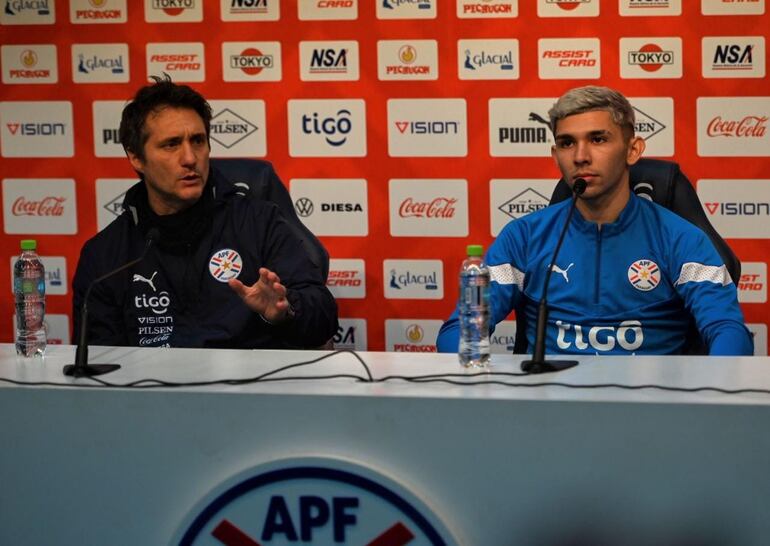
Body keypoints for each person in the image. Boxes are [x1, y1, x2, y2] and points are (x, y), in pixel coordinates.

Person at [437, 85, 753, 356]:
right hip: (547, 410)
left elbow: (728, 331)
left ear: (633, 150)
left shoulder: (682, 238)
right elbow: (461, 329)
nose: (580, 156)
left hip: (653, 410)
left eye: (598, 139)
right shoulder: (524, 236)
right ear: (555, 154)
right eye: (567, 143)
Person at [72, 76, 338, 349]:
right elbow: (97, 361)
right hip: (154, 390)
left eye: (198, 141)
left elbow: (324, 315)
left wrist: (285, 311)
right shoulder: (105, 255)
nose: (190, 158)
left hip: (251, 386)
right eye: (171, 144)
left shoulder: (258, 223)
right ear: (136, 157)